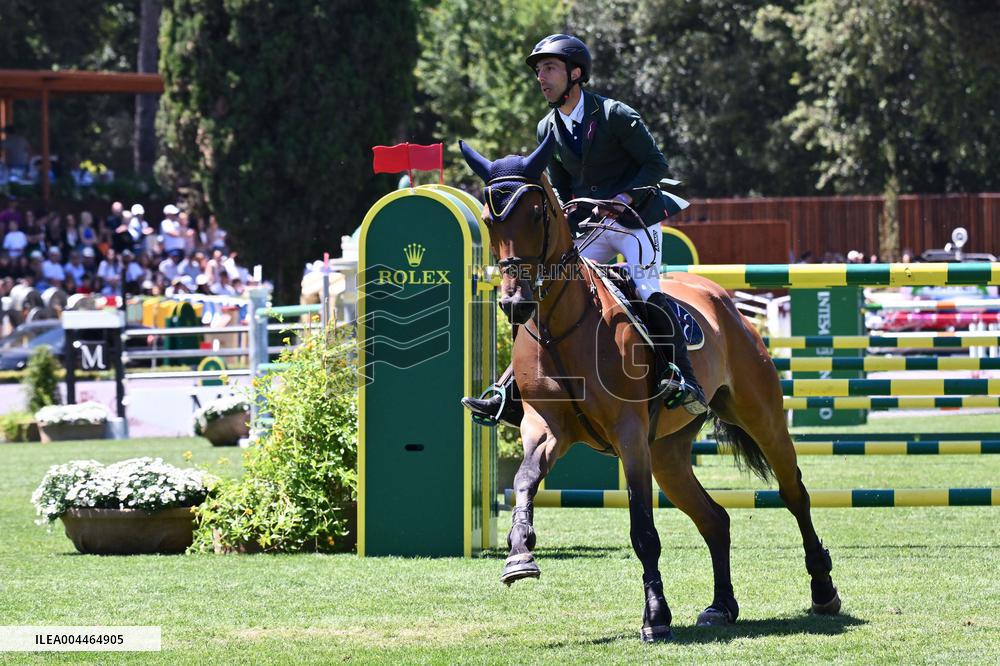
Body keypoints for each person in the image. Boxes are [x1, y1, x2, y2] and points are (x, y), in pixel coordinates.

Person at [462, 33, 708, 427]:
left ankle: (680, 376)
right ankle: (509, 391)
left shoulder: (615, 116)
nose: (542, 78)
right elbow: (559, 183)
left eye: (550, 69)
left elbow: (655, 165)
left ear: (576, 73)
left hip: (634, 220)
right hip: (591, 225)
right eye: (539, 70)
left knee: (646, 290)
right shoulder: (548, 127)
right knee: (548, 290)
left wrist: (624, 198)